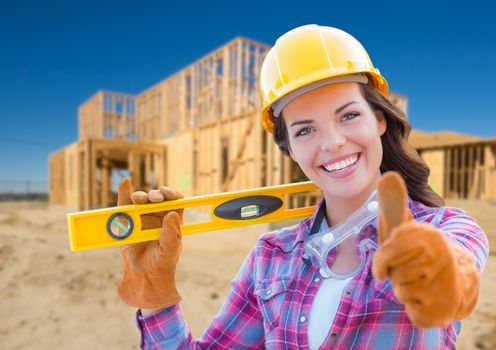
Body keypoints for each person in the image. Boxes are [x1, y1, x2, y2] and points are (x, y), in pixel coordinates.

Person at [115, 25, 489, 349]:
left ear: (379, 120)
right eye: (305, 129)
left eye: (349, 116)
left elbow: (458, 274)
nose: (332, 142)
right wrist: (157, 296)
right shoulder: (270, 258)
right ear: (290, 149)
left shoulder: (446, 229)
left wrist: (437, 273)